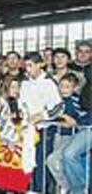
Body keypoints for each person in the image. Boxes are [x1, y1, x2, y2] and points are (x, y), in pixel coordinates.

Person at [20, 52, 64, 193]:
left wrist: (43, 115)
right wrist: (22, 112)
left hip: (45, 129)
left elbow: (59, 107)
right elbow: (21, 102)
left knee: (41, 162)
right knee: (28, 160)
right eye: (25, 66)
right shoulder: (24, 83)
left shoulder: (49, 83)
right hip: (28, 129)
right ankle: (32, 188)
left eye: (30, 65)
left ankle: (42, 189)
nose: (27, 69)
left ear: (40, 64)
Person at [46, 73, 90, 194]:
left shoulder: (77, 100)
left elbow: (81, 117)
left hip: (71, 135)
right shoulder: (55, 100)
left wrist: (75, 122)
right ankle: (66, 185)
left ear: (74, 88)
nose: (64, 90)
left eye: (67, 87)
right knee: (53, 161)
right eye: (61, 86)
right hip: (58, 134)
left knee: (58, 159)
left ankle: (78, 188)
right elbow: (51, 113)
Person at [62, 64, 92, 194]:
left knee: (69, 154)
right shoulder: (87, 87)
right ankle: (80, 189)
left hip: (86, 127)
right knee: (69, 155)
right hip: (86, 128)